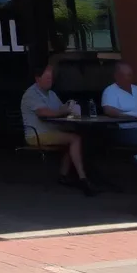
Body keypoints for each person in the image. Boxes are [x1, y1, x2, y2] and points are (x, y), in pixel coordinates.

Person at [21, 61, 94, 195]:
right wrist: (64, 110)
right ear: (38, 79)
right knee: (75, 139)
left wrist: (69, 106)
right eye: (47, 78)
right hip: (37, 134)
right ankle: (83, 178)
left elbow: (60, 109)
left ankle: (64, 176)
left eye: (51, 78)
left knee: (77, 136)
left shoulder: (51, 94)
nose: (50, 81)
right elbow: (44, 113)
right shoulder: (31, 94)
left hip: (52, 131)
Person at [102, 62, 137, 166]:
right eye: (126, 75)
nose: (130, 78)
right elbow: (109, 110)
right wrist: (130, 115)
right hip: (126, 128)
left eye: (130, 75)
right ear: (117, 76)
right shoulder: (110, 91)